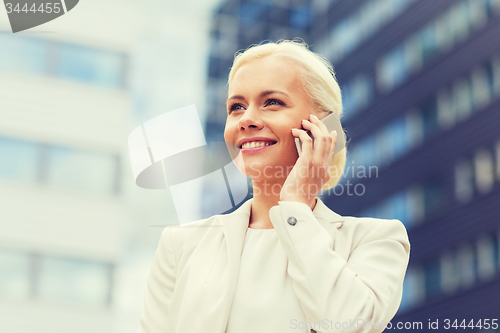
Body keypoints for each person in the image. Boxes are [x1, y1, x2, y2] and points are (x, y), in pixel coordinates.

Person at [137, 40, 410, 333]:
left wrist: (295, 206)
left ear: (323, 127)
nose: (247, 120)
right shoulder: (180, 246)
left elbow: (348, 325)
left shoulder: (374, 241)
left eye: (272, 102)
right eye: (236, 107)